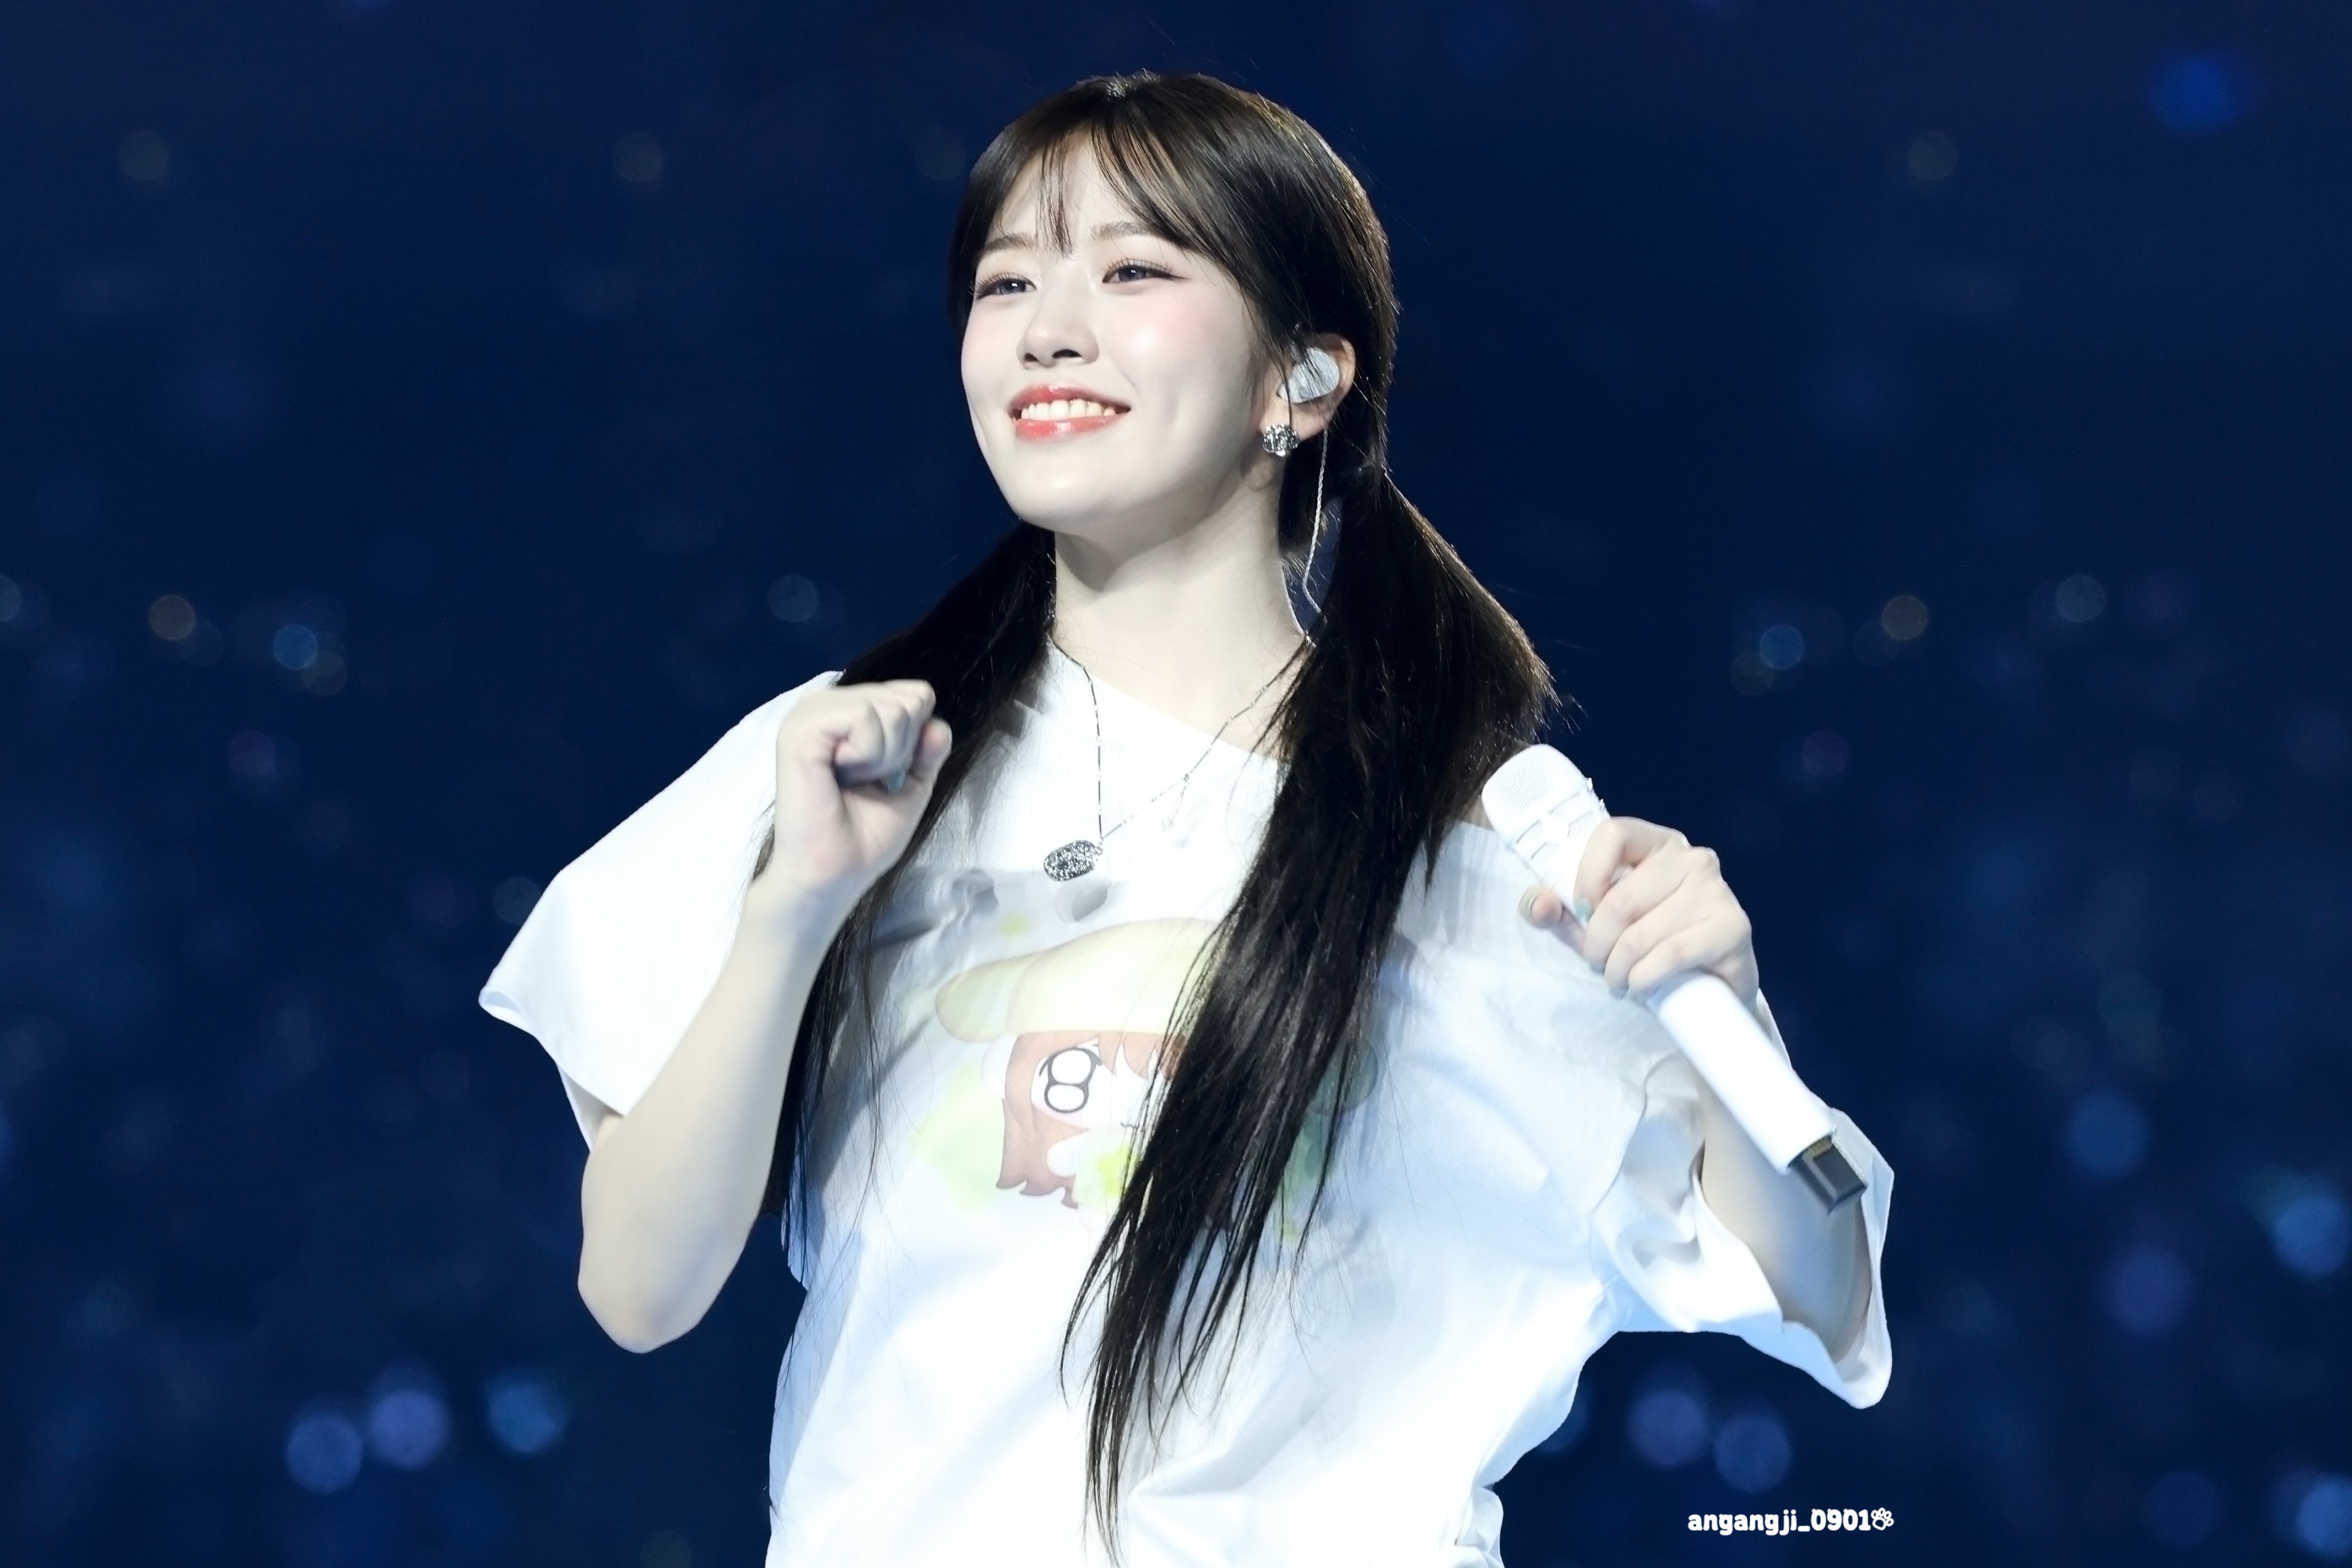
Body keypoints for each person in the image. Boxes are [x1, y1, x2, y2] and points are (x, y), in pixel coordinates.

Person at [481, 71, 1891, 1568]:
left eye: (1134, 270)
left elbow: (1818, 1287)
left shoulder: (1482, 857)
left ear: (1305, 378)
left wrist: (1723, 1005)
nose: (1048, 327)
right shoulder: (843, 763)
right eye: (1006, 280)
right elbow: (638, 1289)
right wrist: (792, 912)